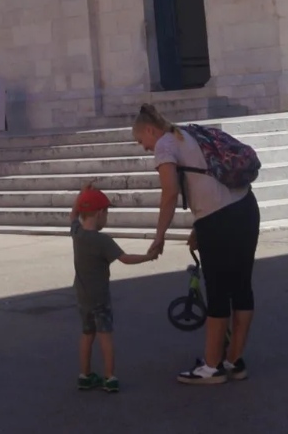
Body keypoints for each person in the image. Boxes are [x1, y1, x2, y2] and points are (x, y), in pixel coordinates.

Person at [133, 103, 259, 385]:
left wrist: (159, 236)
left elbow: (170, 192)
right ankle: (234, 361)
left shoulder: (165, 144)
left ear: (150, 130)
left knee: (217, 292)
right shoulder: (187, 134)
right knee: (241, 287)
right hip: (246, 207)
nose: (144, 147)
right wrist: (198, 228)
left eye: (141, 140)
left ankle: (212, 367)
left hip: (218, 219)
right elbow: (206, 183)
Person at [69, 184, 157, 393]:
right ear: (100, 213)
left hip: (82, 297)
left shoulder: (77, 233)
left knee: (87, 334)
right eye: (107, 213)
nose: (107, 217)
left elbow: (73, 215)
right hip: (100, 298)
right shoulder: (103, 241)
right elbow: (125, 259)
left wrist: (81, 195)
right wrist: (148, 257)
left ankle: (85, 375)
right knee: (105, 335)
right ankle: (109, 377)